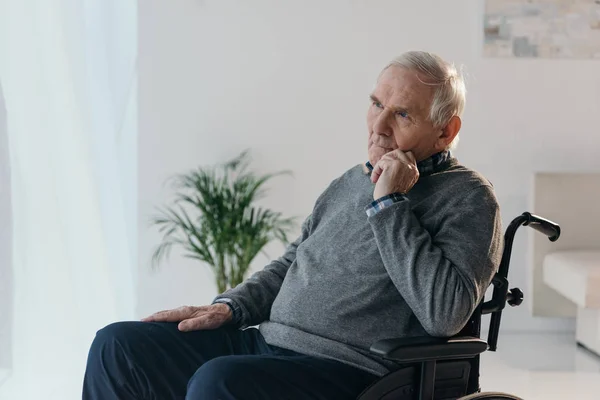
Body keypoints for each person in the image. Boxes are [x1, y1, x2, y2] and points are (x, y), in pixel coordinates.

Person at [83, 51, 503, 400]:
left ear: (446, 131)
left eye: (402, 115)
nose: (378, 127)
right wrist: (231, 307)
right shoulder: (349, 181)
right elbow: (292, 262)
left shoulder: (468, 198)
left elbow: (445, 315)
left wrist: (390, 203)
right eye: (376, 104)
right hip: (266, 344)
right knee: (118, 345)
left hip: (351, 370)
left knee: (220, 383)